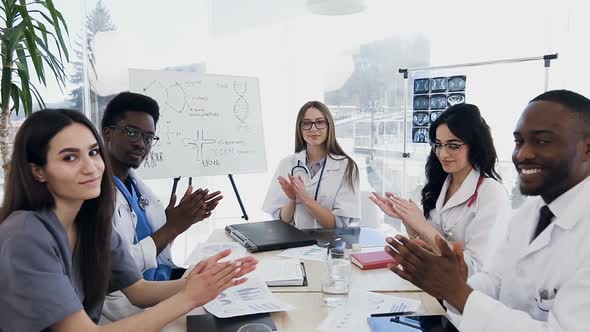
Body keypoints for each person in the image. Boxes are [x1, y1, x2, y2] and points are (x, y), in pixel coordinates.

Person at [0, 109, 257, 331]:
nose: (91, 167)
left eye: (93, 152)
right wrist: (189, 297)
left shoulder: (89, 222)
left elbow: (139, 292)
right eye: (70, 157)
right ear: (38, 171)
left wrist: (197, 283)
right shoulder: (26, 235)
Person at [385, 90, 590, 331]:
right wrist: (451, 286)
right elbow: (494, 279)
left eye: (542, 141)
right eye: (518, 141)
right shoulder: (532, 211)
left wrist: (458, 292)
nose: (522, 154)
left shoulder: (493, 193)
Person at [100, 92, 225, 320]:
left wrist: (182, 220)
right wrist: (172, 227)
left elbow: (155, 247)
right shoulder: (95, 194)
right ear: (107, 133)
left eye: (149, 137)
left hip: (162, 290)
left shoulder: (136, 185)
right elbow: (119, 266)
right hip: (128, 311)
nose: (141, 143)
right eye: (132, 132)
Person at [370, 103, 509, 276]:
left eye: (453, 145)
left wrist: (421, 224)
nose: (442, 154)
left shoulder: (491, 193)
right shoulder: (440, 184)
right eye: (438, 145)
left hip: (468, 295)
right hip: (435, 283)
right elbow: (429, 246)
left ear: (475, 145)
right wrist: (408, 219)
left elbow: (474, 269)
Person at [263, 101, 360, 229]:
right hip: (294, 244)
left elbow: (338, 224)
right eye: (307, 123)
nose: (313, 128)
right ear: (300, 128)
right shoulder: (287, 163)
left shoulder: (346, 167)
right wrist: (292, 199)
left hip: (329, 245)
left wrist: (305, 199)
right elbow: (281, 221)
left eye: (320, 122)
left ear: (329, 126)